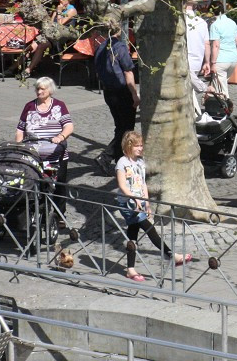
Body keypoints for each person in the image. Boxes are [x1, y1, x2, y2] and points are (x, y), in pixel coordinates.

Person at [115, 131, 190, 282]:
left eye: (141, 145)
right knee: (149, 228)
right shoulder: (122, 163)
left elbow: (142, 183)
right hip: (127, 203)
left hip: (138, 202)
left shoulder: (140, 163)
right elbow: (122, 185)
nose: (140, 148)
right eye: (137, 146)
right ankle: (171, 255)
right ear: (129, 146)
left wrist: (146, 202)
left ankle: (130, 269)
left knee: (133, 234)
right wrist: (134, 199)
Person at [16, 77, 73, 217]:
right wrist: (18, 148)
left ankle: (60, 215)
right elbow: (20, 129)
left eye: (42, 89)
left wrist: (60, 137)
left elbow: (69, 126)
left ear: (50, 90)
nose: (39, 91)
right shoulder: (29, 106)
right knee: (33, 182)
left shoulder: (59, 106)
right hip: (33, 154)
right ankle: (34, 211)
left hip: (55, 154)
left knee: (59, 184)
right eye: (37, 88)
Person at [95, 22, 139, 176]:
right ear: (119, 30)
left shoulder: (100, 47)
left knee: (120, 126)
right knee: (126, 128)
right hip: (121, 91)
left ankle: (120, 159)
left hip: (109, 91)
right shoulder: (119, 47)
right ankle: (106, 156)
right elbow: (128, 72)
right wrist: (134, 93)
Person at [21, 0, 78, 78]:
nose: (61, 0)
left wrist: (59, 12)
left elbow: (60, 24)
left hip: (63, 37)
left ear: (69, 0)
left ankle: (27, 69)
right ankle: (16, 68)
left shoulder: (72, 10)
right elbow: (50, 24)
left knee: (39, 45)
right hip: (51, 35)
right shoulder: (57, 9)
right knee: (33, 46)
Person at [184, 0, 211, 117]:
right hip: (197, 61)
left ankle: (195, 117)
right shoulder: (201, 22)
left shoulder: (179, 22)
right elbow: (207, 44)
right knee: (189, 91)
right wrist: (207, 62)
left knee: (188, 90)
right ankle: (195, 116)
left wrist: (204, 88)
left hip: (184, 60)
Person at [208, 0, 237, 97]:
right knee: (219, 84)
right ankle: (210, 104)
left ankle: (225, 108)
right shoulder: (232, 23)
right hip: (233, 59)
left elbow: (216, 45)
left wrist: (212, 63)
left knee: (222, 90)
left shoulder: (215, 25)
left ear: (212, 12)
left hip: (221, 60)